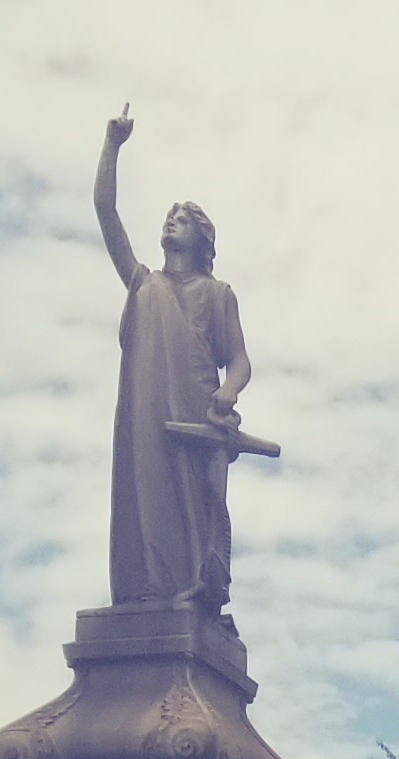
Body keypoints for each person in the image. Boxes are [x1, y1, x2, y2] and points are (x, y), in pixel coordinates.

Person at [93, 112, 261, 610]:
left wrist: (227, 392)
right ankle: (145, 594)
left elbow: (239, 361)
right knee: (143, 500)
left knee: (193, 509)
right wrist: (112, 146)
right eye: (170, 216)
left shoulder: (217, 293)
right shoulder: (144, 284)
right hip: (145, 415)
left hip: (194, 416)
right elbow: (105, 210)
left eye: (183, 219)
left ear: (203, 240)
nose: (172, 221)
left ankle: (196, 593)